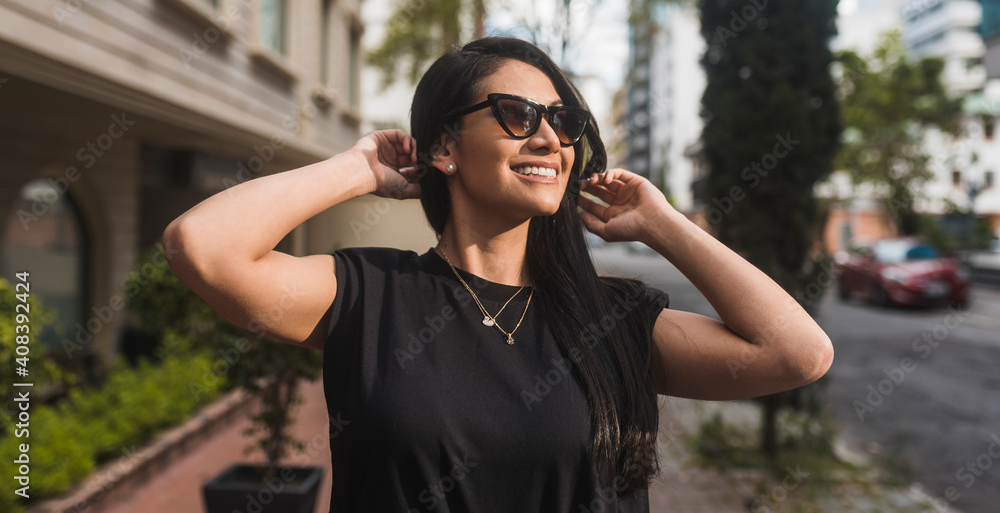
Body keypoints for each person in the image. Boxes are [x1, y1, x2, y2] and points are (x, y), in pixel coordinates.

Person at [163, 36, 834, 512]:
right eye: (518, 115)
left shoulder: (616, 321)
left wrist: (663, 224)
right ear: (445, 148)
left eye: (565, 122)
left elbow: (796, 353)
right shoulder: (371, 297)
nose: (549, 138)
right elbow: (202, 247)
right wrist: (361, 168)